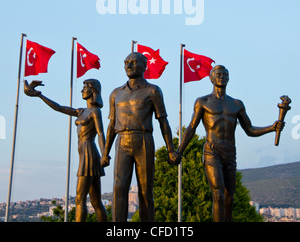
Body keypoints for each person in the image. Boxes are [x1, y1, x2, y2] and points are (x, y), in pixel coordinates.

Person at [177, 65, 284, 222]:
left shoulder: (237, 104)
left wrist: (272, 128)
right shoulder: (203, 101)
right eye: (218, 74)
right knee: (218, 194)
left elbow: (250, 130)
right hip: (212, 151)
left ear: (229, 78)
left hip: (230, 153)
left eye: (225, 74)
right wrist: (179, 151)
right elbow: (192, 127)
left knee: (229, 198)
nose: (222, 76)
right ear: (211, 78)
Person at [101, 52, 180, 222]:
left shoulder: (152, 90)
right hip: (122, 141)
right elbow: (112, 125)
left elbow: (163, 121)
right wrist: (105, 152)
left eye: (133, 63)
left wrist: (171, 149)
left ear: (144, 66)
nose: (129, 66)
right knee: (119, 188)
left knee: (145, 191)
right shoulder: (116, 93)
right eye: (126, 63)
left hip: (143, 140)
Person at [24, 78, 107, 222]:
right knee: (95, 200)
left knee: (81, 199)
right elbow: (59, 107)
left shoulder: (95, 111)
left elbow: (100, 133)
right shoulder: (81, 111)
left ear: (93, 91)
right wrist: (39, 95)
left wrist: (105, 154)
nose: (82, 90)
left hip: (89, 153)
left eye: (85, 87)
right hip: (85, 153)